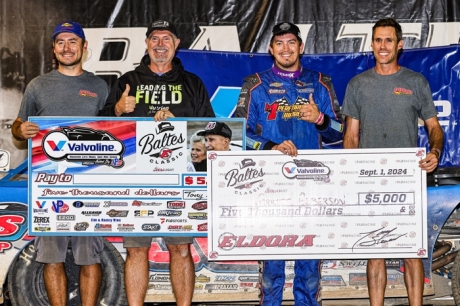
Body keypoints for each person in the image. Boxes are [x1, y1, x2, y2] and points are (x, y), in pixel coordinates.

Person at [98, 20, 215, 306]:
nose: (160, 44)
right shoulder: (127, 80)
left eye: (167, 38)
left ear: (176, 45)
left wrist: (184, 125)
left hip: (179, 183)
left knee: (181, 249)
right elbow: (101, 129)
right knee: (137, 251)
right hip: (135, 181)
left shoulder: (192, 83)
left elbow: (211, 128)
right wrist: (116, 109)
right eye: (154, 38)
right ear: (147, 43)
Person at [235, 22, 343, 305]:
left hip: (314, 183)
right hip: (269, 186)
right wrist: (270, 147)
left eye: (291, 42)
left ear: (301, 47)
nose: (286, 48)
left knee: (309, 265)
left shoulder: (321, 82)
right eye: (280, 43)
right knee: (272, 264)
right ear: (271, 49)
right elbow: (237, 134)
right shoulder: (254, 84)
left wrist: (320, 119)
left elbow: (341, 133)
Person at [341, 18, 444, 306]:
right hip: (369, 179)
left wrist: (434, 152)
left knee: (412, 250)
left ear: (399, 45)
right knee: (376, 251)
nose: (382, 46)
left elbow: (434, 128)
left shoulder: (415, 82)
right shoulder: (358, 85)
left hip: (407, 179)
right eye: (377, 40)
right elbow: (351, 136)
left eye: (388, 40)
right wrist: (350, 177)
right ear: (371, 44)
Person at [11, 21, 107, 306]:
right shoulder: (37, 85)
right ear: (53, 49)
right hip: (48, 185)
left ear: (84, 47)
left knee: (90, 257)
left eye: (73, 41)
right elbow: (19, 124)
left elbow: (112, 129)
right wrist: (21, 130)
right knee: (51, 258)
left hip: (89, 185)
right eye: (61, 42)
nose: (67, 47)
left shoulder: (99, 86)